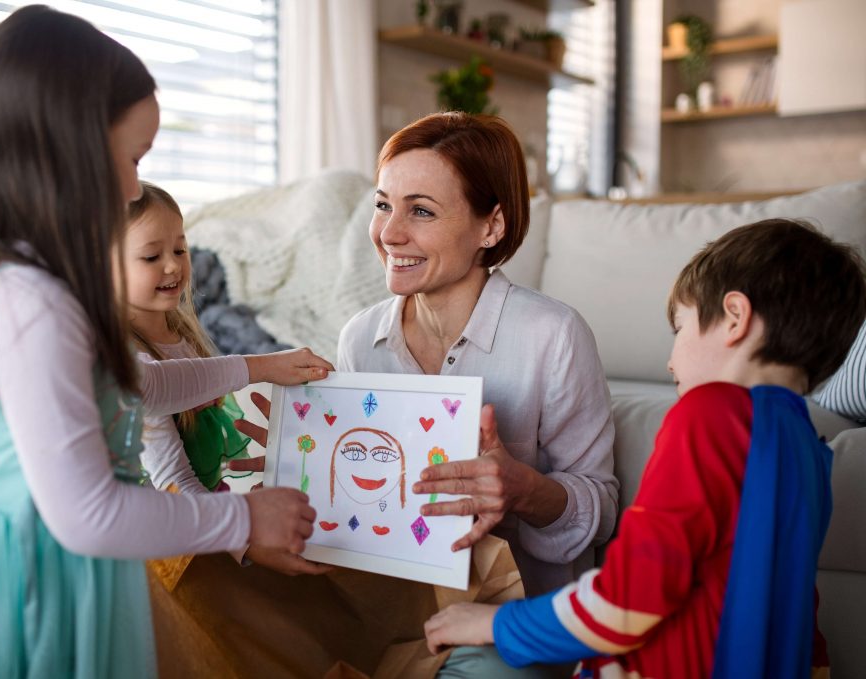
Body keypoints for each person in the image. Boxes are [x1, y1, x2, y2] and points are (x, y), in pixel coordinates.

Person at [0, 7, 332, 677]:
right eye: (130, 158)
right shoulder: (31, 302)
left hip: (56, 565)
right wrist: (242, 518)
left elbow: (137, 385)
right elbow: (88, 515)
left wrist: (258, 365)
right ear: (63, 148)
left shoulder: (46, 284)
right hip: (14, 581)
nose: (134, 185)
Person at [423, 218, 866, 677]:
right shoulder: (810, 451)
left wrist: (496, 624)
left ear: (735, 317)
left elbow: (628, 599)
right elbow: (800, 616)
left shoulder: (709, 415)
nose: (671, 361)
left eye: (681, 328)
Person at [336, 112, 618, 597]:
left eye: (421, 211)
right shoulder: (360, 339)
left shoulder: (554, 336)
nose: (389, 233)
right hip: (396, 612)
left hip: (518, 617)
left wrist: (524, 489)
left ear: (491, 226)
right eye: (384, 205)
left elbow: (602, 511)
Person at [123, 179, 332, 577]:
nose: (172, 264)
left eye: (180, 249)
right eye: (152, 256)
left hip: (206, 513)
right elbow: (172, 477)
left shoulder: (182, 331)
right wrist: (246, 541)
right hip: (175, 542)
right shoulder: (128, 357)